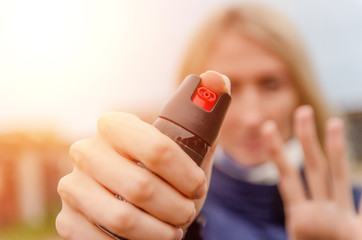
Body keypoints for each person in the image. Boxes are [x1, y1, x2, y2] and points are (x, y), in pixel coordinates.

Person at [56, 3, 361, 240]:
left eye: (270, 84)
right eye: (231, 91)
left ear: (301, 91)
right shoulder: (166, 213)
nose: (252, 117)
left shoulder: (354, 210)